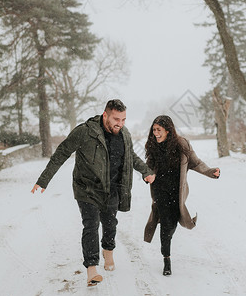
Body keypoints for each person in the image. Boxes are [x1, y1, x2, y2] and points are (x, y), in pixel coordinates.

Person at [31, 99, 155, 286]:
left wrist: (145, 171)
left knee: (110, 223)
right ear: (105, 115)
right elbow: (62, 152)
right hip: (87, 188)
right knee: (91, 225)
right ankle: (91, 268)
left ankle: (108, 251)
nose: (120, 124)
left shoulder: (124, 134)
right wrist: (44, 179)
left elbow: (131, 156)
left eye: (123, 119)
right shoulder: (85, 131)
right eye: (116, 119)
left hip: (112, 188)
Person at [143, 115, 220, 276]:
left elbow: (196, 162)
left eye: (159, 130)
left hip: (177, 192)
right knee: (165, 224)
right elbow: (148, 168)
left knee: (171, 225)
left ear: (168, 130)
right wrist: (147, 175)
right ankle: (166, 259)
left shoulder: (181, 145)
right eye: (154, 130)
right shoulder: (152, 147)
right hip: (160, 191)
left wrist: (210, 171)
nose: (156, 133)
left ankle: (167, 245)